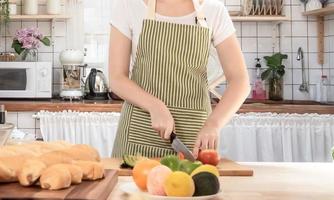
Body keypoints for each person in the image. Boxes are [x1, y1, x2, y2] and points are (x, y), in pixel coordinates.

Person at [109, 0, 250, 158]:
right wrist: (154, 106)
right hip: (138, 133)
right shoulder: (128, 6)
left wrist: (214, 124)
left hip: (194, 140)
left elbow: (240, 81)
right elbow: (116, 78)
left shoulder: (213, 10)